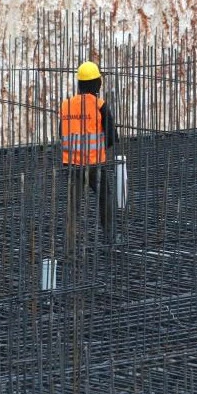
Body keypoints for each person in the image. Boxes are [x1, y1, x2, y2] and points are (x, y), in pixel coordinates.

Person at [60, 61, 118, 254]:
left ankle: (69, 246)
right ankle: (109, 237)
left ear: (79, 84)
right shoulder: (101, 105)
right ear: (98, 84)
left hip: (72, 165)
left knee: (72, 205)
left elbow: (62, 133)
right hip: (94, 165)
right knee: (106, 196)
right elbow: (111, 137)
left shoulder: (66, 105)